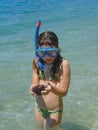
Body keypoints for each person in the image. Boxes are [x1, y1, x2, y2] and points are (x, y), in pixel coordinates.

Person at [30, 31, 71, 130]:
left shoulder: (63, 65)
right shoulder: (36, 62)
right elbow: (34, 82)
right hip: (39, 108)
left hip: (54, 111)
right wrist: (33, 89)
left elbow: (64, 92)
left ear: (57, 50)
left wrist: (52, 88)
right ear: (38, 51)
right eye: (43, 53)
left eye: (51, 52)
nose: (47, 56)